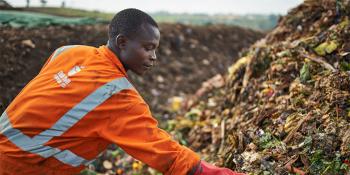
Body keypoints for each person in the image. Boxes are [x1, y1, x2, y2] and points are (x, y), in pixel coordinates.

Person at [0, 8, 245, 175]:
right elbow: (169, 156)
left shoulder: (67, 52)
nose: (153, 57)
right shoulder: (117, 97)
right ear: (122, 42)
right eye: (148, 48)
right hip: (22, 168)